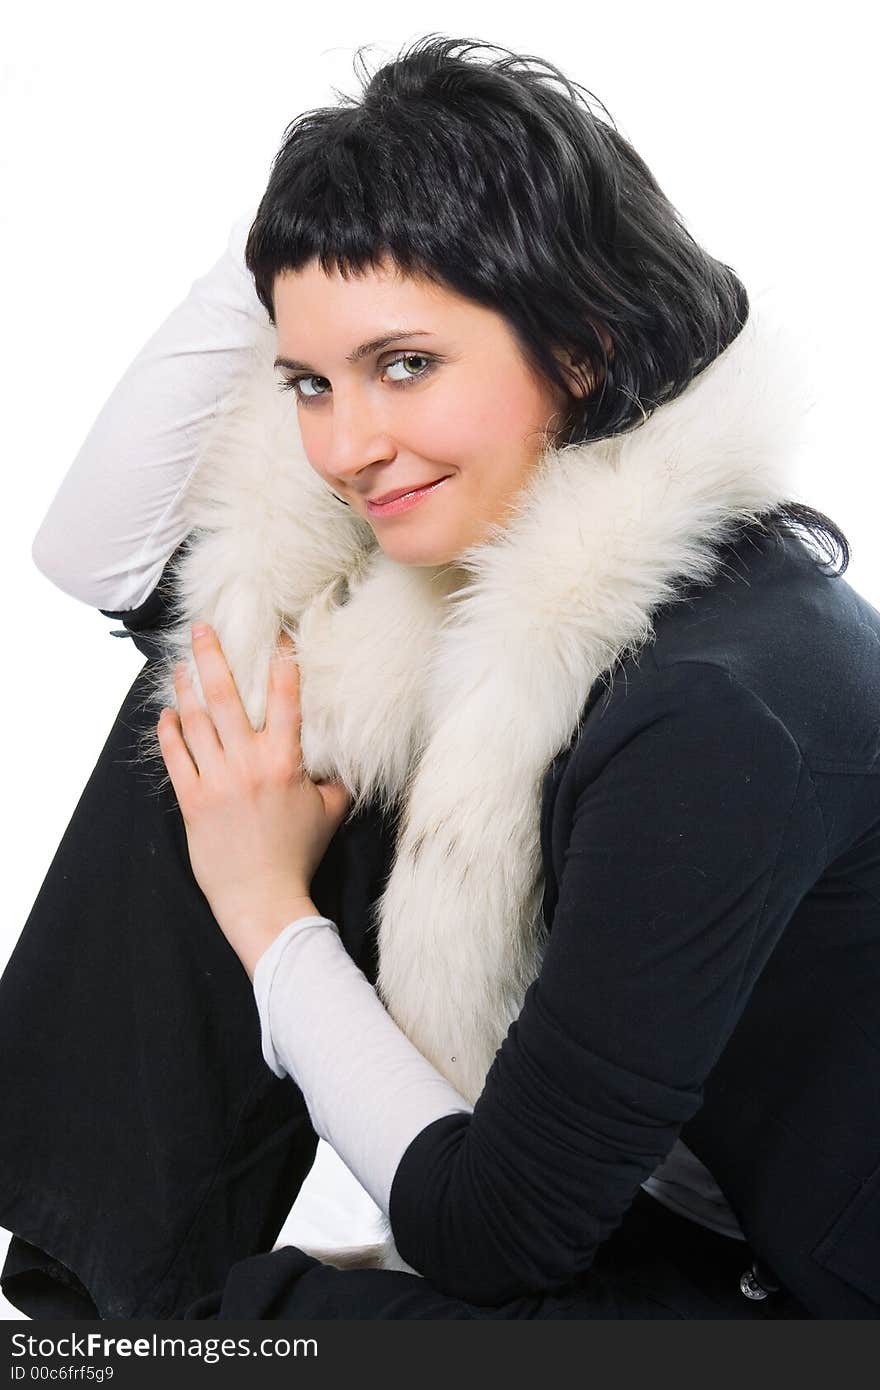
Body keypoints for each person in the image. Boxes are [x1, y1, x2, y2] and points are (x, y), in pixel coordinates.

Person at [2, 33, 878, 1321]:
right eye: (310, 381)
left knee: (275, 1332)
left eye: (406, 365)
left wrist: (264, 905)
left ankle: (146, 1329)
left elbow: (498, 1238)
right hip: (678, 1214)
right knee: (238, 691)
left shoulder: (721, 702)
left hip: (814, 1298)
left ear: (579, 345)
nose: (348, 447)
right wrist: (340, 205)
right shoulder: (510, 595)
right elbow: (98, 559)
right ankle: (103, 1297)